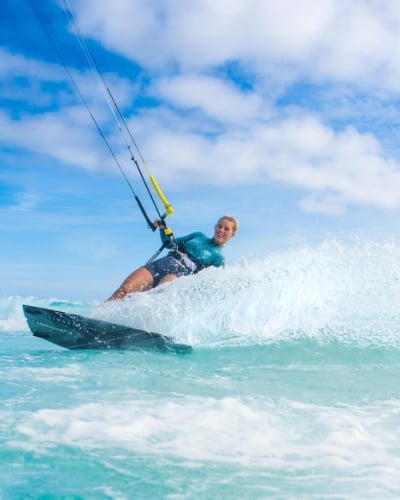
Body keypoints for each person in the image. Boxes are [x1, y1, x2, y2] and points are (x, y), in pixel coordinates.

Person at [106, 215, 238, 301]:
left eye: (226, 229)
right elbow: (169, 244)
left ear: (232, 234)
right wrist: (163, 229)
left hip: (178, 274)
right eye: (220, 226)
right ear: (215, 227)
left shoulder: (218, 259)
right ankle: (99, 316)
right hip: (160, 264)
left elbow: (206, 285)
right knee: (125, 289)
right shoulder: (198, 236)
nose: (221, 230)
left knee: (154, 298)